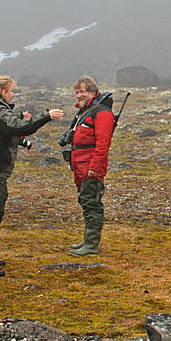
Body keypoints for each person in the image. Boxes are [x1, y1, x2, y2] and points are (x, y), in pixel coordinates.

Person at [0, 75, 64, 277]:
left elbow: (6, 127)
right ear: (2, 91)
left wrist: (22, 117)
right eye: (11, 91)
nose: (12, 95)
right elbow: (19, 128)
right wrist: (46, 117)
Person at [64, 76, 115, 257]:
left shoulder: (102, 113)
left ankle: (91, 245)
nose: (79, 95)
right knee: (86, 202)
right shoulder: (86, 112)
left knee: (92, 204)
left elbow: (103, 143)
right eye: (77, 92)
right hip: (80, 165)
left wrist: (95, 166)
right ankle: (87, 241)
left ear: (93, 91)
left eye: (82, 91)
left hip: (90, 167)